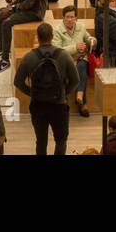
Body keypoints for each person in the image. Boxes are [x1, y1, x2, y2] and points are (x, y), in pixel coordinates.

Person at [14, 21, 79, 156]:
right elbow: (75, 80)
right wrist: (63, 93)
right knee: (61, 140)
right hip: (59, 104)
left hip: (38, 105)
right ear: (52, 36)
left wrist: (32, 93)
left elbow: (18, 82)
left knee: (41, 141)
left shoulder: (29, 57)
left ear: (37, 36)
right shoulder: (64, 55)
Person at [52, 5, 96, 116]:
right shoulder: (57, 31)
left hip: (79, 59)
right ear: (63, 18)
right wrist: (75, 47)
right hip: (65, 62)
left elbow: (88, 37)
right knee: (74, 70)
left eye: (72, 17)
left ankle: (80, 97)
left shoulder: (81, 27)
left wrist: (92, 41)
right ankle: (80, 103)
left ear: (76, 18)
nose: (70, 19)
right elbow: (57, 51)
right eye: (67, 17)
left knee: (82, 65)